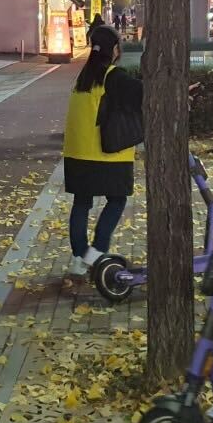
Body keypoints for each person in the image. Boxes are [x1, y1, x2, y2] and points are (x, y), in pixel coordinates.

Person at [62, 25, 140, 277]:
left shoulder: (82, 79)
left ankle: (78, 257)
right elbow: (145, 94)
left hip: (76, 152)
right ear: (114, 50)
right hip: (107, 155)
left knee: (82, 202)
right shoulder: (113, 76)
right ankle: (95, 254)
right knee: (117, 200)